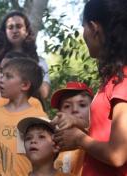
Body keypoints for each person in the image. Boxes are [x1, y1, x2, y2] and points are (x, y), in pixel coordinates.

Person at [53, 0, 127, 175]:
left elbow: (117, 154)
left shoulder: (123, 80)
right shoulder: (115, 78)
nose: (83, 34)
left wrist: (79, 139)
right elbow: (106, 136)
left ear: (94, 28)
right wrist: (80, 124)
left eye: (83, 26)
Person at [0, 58, 47, 175]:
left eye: (8, 76)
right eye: (1, 75)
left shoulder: (38, 117)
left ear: (25, 85)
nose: (0, 79)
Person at [0, 10, 50, 99]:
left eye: (19, 26)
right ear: (5, 32)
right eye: (10, 27)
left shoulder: (40, 61)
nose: (15, 30)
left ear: (27, 31)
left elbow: (44, 93)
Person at [50, 82, 93, 175]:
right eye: (67, 106)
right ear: (60, 113)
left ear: (94, 109)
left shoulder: (98, 138)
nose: (74, 110)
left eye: (82, 105)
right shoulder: (55, 143)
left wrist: (76, 121)